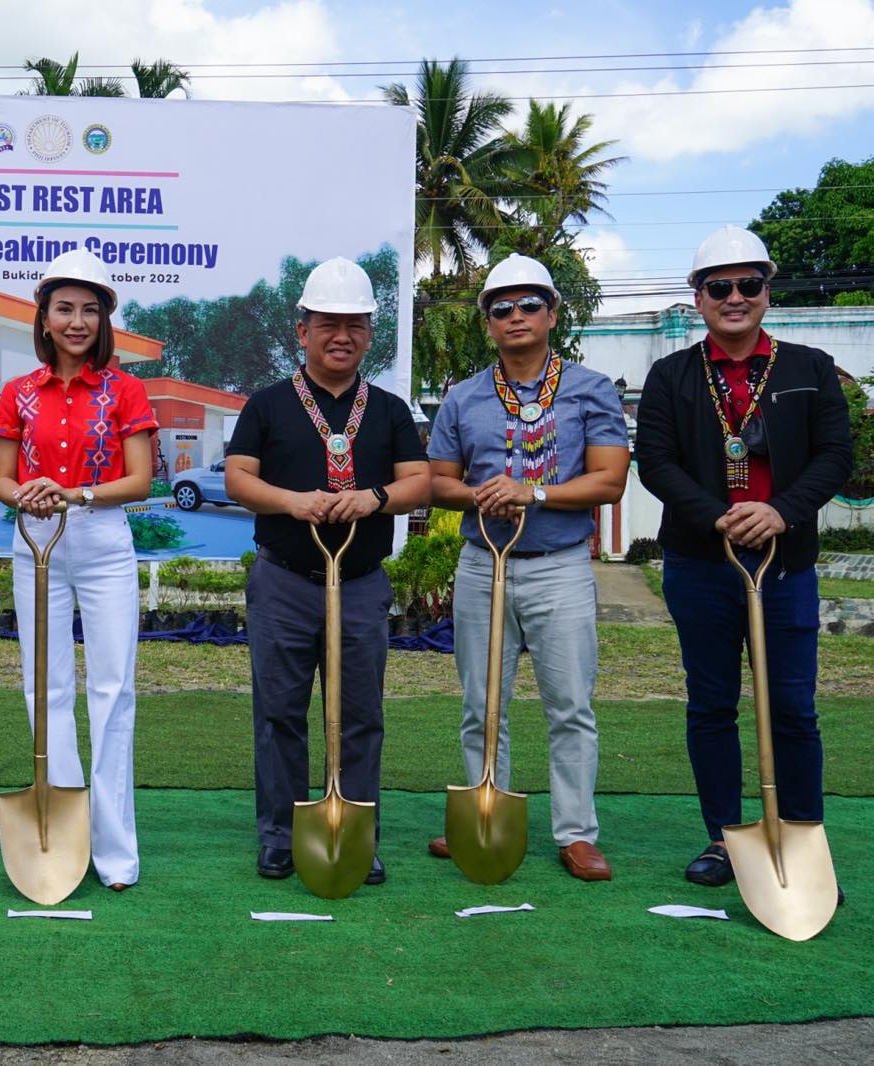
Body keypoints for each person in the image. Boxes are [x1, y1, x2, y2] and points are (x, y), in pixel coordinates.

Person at [635, 226, 852, 890]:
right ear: (697, 297)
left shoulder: (808, 367)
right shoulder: (671, 376)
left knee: (791, 707)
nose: (735, 297)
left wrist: (781, 511)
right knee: (710, 705)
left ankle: (801, 840)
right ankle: (725, 838)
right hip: (702, 564)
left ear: (767, 290)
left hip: (785, 567)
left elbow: (836, 457)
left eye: (748, 285)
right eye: (719, 286)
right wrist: (718, 516)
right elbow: (657, 463)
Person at [224, 256, 430, 883]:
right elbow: (237, 478)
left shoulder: (391, 410)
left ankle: (356, 834)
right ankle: (282, 836)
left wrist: (374, 499)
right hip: (285, 579)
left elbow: (420, 482)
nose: (341, 335)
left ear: (370, 332)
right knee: (280, 711)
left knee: (362, 714)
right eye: (327, 323)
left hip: (362, 582)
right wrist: (293, 502)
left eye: (355, 324)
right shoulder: (268, 404)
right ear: (303, 329)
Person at [426, 254, 629, 883]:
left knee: (569, 705)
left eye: (529, 305)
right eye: (501, 308)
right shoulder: (463, 397)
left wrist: (532, 492)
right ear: (488, 323)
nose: (516, 317)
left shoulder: (590, 388)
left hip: (559, 565)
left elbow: (611, 480)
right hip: (483, 564)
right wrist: (486, 494)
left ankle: (575, 833)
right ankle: (483, 816)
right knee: (482, 705)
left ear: (553, 314)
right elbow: (438, 481)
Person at [0, 249, 158, 891]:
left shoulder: (125, 389)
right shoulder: (19, 392)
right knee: (46, 689)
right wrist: (27, 493)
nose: (77, 320)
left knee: (112, 691)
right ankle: (61, 840)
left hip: (102, 539)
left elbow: (139, 480)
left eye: (90, 309)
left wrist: (77, 494)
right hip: (35, 538)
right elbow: (4, 481)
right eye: (65, 308)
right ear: (44, 317)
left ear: (105, 320)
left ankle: (116, 854)